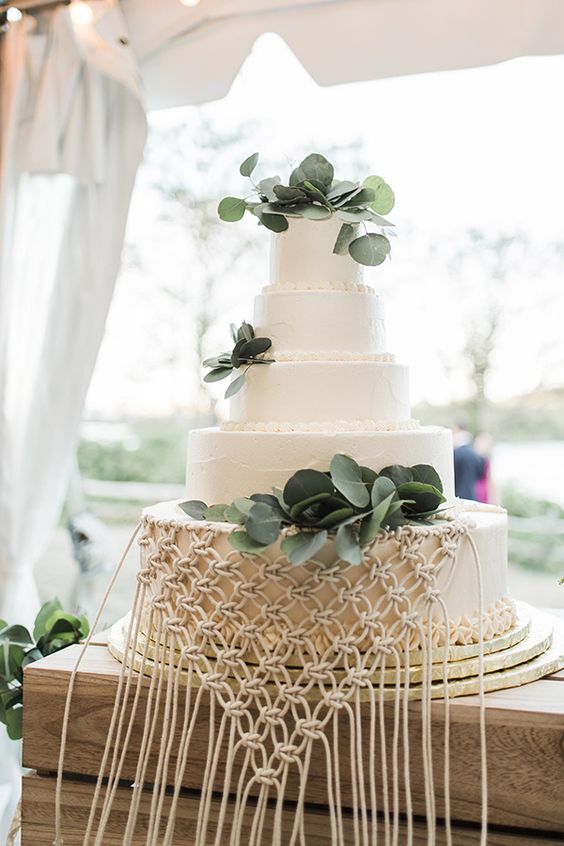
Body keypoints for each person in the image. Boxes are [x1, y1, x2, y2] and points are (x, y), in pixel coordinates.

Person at [452, 423, 485, 501]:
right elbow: (480, 473)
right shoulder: (475, 454)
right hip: (472, 494)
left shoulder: (454, 453)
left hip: (457, 495)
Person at [474, 431, 495, 504]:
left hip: (482, 489)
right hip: (477, 488)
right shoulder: (476, 458)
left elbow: (489, 479)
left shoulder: (486, 459)